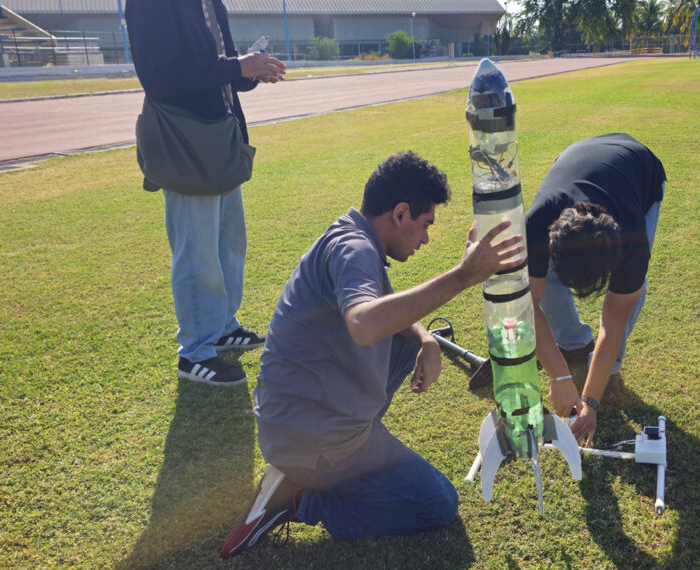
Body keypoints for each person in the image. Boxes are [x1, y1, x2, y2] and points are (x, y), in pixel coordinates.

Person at [220, 151, 523, 557]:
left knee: (403, 334)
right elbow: (364, 322)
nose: (427, 239)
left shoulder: (350, 236)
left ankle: (325, 461)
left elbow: (383, 305)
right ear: (400, 213)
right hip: (311, 437)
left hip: (292, 420)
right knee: (438, 503)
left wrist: (427, 341)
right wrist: (465, 275)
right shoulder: (357, 251)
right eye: (425, 224)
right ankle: (299, 498)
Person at [126, 0, 286, 385]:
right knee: (197, 250)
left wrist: (251, 69)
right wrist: (237, 67)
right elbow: (160, 78)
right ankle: (195, 351)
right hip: (186, 141)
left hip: (220, 136)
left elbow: (223, 69)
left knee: (229, 244)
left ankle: (222, 328)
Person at [525, 133, 666, 447]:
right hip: (577, 153)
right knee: (543, 280)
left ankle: (609, 370)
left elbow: (612, 324)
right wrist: (559, 376)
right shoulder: (535, 226)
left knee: (632, 295)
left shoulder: (631, 240)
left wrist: (591, 401)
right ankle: (572, 343)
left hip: (639, 168)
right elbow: (526, 307)